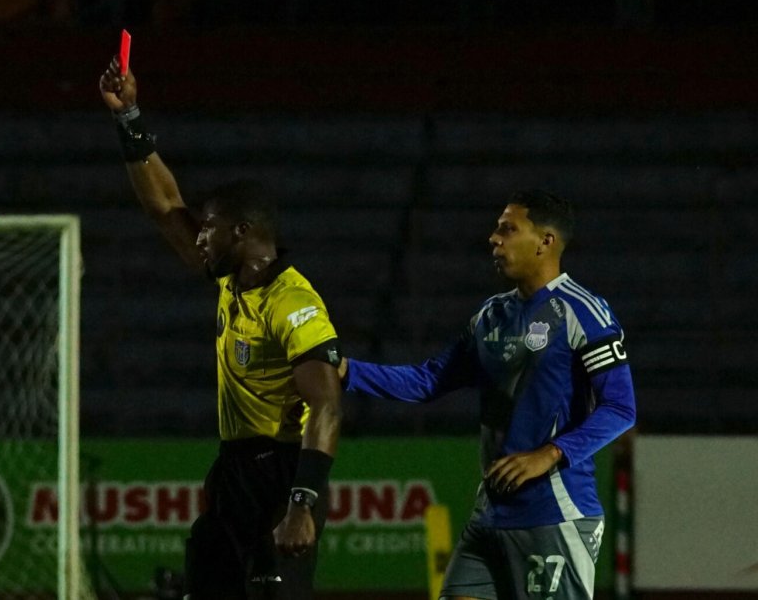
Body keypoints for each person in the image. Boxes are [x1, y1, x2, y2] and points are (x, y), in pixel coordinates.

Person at [99, 56, 343, 599]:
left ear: (243, 232)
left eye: (208, 229)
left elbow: (325, 405)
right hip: (233, 469)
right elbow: (165, 206)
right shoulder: (233, 282)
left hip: (282, 477)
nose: (199, 238)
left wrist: (303, 502)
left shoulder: (293, 304)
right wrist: (129, 117)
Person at [341, 191, 636, 600]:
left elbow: (622, 408)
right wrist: (345, 371)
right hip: (491, 514)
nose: (493, 239)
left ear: (545, 241)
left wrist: (548, 454)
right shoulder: (490, 315)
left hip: (554, 512)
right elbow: (428, 381)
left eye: (507, 229)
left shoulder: (583, 311)